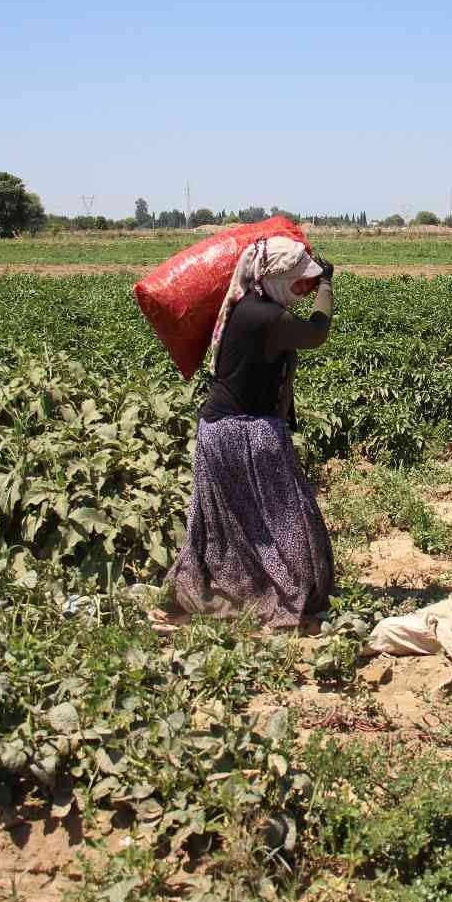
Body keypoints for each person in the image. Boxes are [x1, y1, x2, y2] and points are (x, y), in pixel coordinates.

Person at [166, 235, 336, 628]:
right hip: (243, 434)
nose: (303, 289)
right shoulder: (264, 316)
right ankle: (278, 593)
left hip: (224, 431)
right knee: (286, 522)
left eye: (308, 283)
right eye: (299, 281)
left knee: (244, 525)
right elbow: (317, 332)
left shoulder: (247, 308)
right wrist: (326, 286)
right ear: (272, 279)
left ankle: (244, 590)